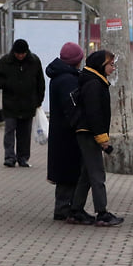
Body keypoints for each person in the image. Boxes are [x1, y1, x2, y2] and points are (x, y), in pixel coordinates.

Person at [68, 50, 124, 227]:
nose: (113, 68)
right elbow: (94, 114)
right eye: (111, 64)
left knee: (87, 173)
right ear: (101, 65)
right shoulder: (94, 84)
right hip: (89, 133)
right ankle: (102, 213)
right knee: (98, 174)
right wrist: (103, 140)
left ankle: (76, 211)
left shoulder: (95, 81)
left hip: (88, 132)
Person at [45, 41, 85, 220]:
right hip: (67, 134)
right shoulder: (67, 80)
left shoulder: (60, 76)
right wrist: (81, 125)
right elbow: (72, 108)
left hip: (61, 132)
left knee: (66, 172)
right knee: (68, 173)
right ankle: (63, 209)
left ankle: (65, 207)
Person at [0, 38, 45, 168]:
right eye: (18, 54)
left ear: (27, 52)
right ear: (14, 52)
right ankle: (9, 157)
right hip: (11, 103)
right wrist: (6, 85)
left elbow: (40, 82)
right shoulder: (6, 61)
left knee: (25, 133)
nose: (20, 56)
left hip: (28, 104)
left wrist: (38, 100)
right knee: (9, 131)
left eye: (23, 53)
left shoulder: (34, 61)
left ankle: (23, 157)